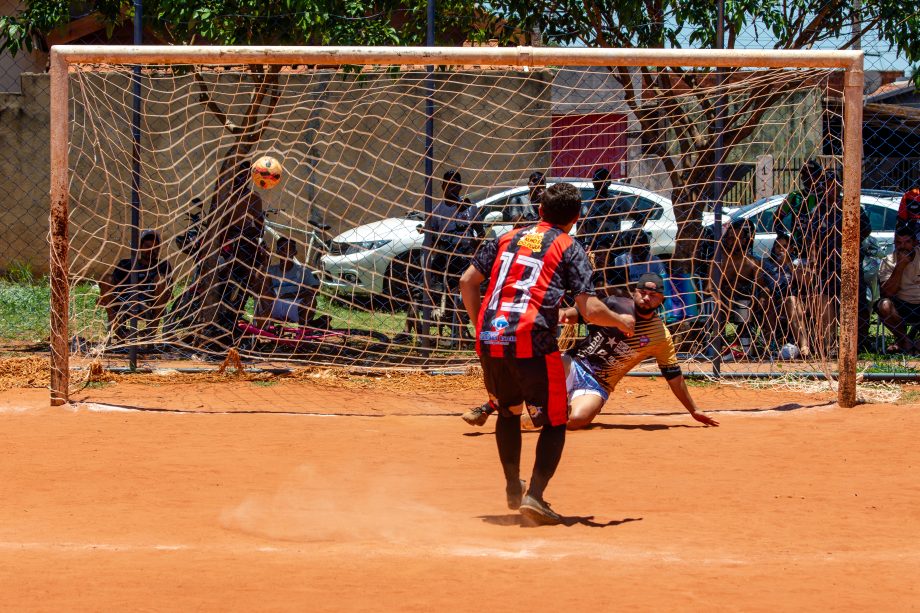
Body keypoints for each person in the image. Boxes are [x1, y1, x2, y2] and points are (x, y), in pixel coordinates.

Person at [458, 182, 634, 526]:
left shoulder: (506, 237)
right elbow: (590, 308)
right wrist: (619, 321)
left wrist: (481, 324)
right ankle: (535, 496)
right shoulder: (570, 247)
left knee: (508, 411)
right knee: (555, 421)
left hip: (491, 336)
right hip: (532, 339)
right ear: (577, 217)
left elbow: (467, 281)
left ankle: (513, 486)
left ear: (539, 210)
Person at [462, 273, 719, 431]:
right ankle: (490, 405)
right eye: (643, 290)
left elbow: (673, 376)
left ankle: (527, 422)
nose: (647, 297)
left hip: (598, 384)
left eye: (654, 294)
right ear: (634, 291)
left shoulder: (660, 336)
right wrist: (560, 315)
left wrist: (693, 410)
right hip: (574, 364)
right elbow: (576, 315)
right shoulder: (614, 305)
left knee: (578, 419)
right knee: (532, 367)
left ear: (662, 299)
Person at [421, 170, 478, 344]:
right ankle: (432, 329)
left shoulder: (469, 208)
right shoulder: (437, 211)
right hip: (445, 258)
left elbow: (480, 233)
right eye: (449, 184)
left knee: (467, 293)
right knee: (434, 288)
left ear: (460, 186)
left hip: (465, 258)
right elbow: (432, 239)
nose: (453, 188)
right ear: (443, 186)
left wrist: (473, 251)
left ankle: (461, 329)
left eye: (456, 184)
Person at [98, 230, 173, 343]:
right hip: (125, 300)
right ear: (140, 247)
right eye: (147, 246)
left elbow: (168, 291)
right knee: (107, 278)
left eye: (155, 247)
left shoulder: (163, 265)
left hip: (150, 302)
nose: (151, 250)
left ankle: (151, 332)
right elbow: (112, 285)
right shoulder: (126, 264)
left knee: (161, 280)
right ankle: (118, 330)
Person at [758, 233, 809, 357]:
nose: (780, 250)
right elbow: (761, 283)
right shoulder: (767, 264)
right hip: (774, 300)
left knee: (791, 300)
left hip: (796, 300)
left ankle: (804, 345)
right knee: (767, 299)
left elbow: (807, 281)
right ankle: (770, 345)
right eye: (778, 247)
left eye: (784, 247)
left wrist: (788, 263)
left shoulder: (798, 263)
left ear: (791, 249)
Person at [261, 236, 323, 327]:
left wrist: (290, 295)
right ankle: (268, 328)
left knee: (311, 300)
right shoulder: (270, 270)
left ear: (295, 252)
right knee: (261, 294)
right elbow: (259, 288)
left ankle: (302, 331)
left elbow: (315, 290)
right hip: (273, 304)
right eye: (282, 249)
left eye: (289, 249)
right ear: (277, 252)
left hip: (295, 304)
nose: (285, 252)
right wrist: (265, 263)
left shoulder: (303, 271)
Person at [876, 226, 920, 353]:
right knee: (884, 305)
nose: (903, 246)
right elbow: (887, 292)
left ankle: (913, 344)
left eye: (907, 242)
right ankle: (905, 341)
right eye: (899, 242)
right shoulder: (888, 261)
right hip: (901, 303)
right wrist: (900, 265)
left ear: (915, 243)